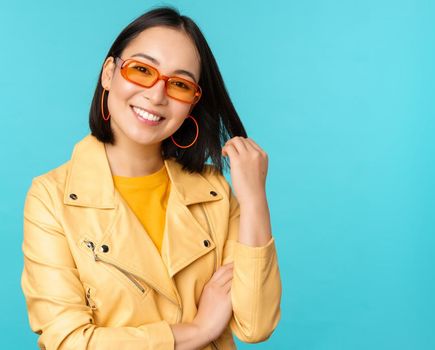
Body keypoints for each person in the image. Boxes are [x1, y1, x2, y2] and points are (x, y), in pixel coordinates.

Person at [20, 6, 281, 350]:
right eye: (141, 70)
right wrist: (200, 331)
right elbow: (69, 341)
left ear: (193, 101)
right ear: (109, 73)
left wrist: (253, 199)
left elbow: (255, 324)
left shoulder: (214, 192)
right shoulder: (51, 197)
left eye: (179, 84)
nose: (157, 95)